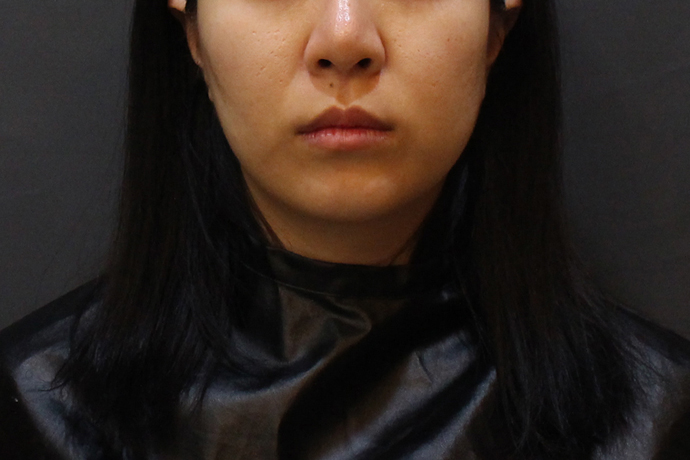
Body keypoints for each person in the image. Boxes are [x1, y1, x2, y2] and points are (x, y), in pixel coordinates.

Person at [1, 0, 689, 458]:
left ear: (499, 20)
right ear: (192, 25)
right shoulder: (38, 413)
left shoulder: (657, 421)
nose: (344, 39)